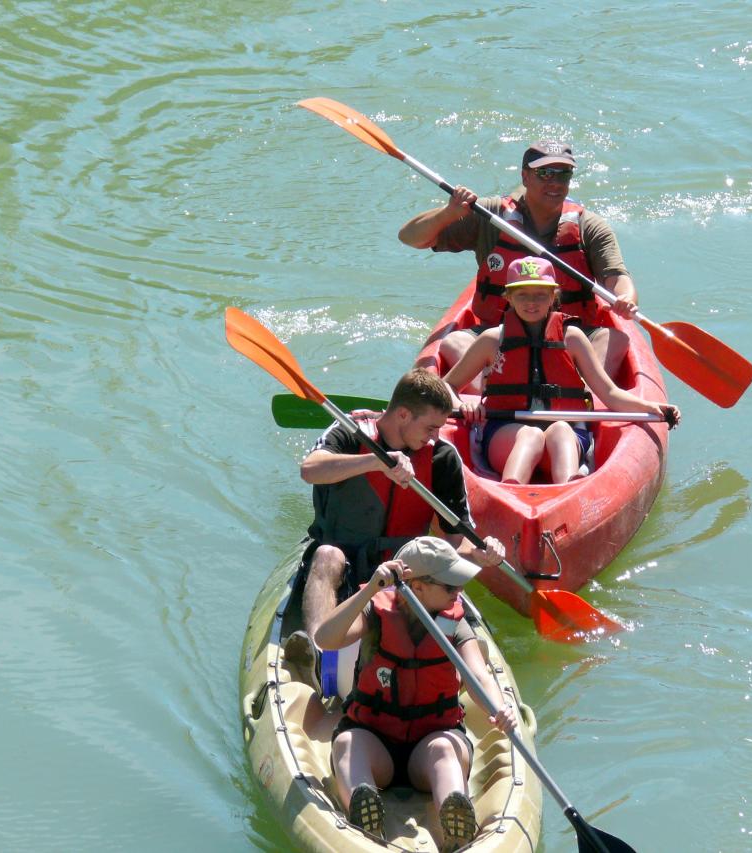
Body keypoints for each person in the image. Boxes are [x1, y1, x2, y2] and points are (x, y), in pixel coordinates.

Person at [284, 368, 504, 692]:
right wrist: (374, 463)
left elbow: (451, 546)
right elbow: (310, 470)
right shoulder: (350, 432)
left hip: (404, 573)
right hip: (342, 566)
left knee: (440, 578)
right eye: (430, 427)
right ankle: (321, 657)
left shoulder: (442, 458)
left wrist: (482, 554)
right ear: (403, 414)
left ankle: (455, 669)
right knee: (326, 555)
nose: (434, 437)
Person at [315, 536, 518, 848]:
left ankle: (455, 814)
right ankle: (364, 808)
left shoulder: (457, 623)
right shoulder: (376, 613)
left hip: (431, 742)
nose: (458, 591)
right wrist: (370, 589)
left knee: (446, 750)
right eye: (450, 586)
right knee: (346, 742)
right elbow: (325, 639)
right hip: (376, 739)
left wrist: (499, 708)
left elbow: (478, 674)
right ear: (417, 586)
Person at [399, 140, 640, 381]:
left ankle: (581, 397)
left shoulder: (589, 225)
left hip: (568, 336)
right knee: (455, 342)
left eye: (563, 174)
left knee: (614, 339)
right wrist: (448, 213)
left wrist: (625, 298)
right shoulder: (491, 215)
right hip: (500, 335)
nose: (555, 183)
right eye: (544, 173)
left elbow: (616, 277)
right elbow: (410, 237)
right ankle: (489, 397)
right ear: (525, 177)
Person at [443, 257, 680, 486]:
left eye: (540, 295)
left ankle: (569, 489)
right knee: (531, 436)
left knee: (560, 430)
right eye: (522, 295)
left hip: (565, 431)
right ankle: (512, 490)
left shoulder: (572, 338)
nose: (531, 302)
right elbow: (447, 385)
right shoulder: (492, 340)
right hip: (505, 432)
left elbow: (609, 393)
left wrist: (652, 408)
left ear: (553, 297)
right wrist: (462, 405)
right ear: (509, 298)